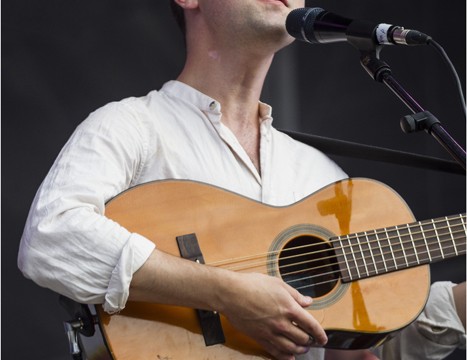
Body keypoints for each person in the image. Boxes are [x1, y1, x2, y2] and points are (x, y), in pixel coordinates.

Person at [18, 1, 465, 359]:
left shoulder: (323, 177)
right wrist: (228, 293)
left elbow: (367, 344)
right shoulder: (132, 125)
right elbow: (51, 236)